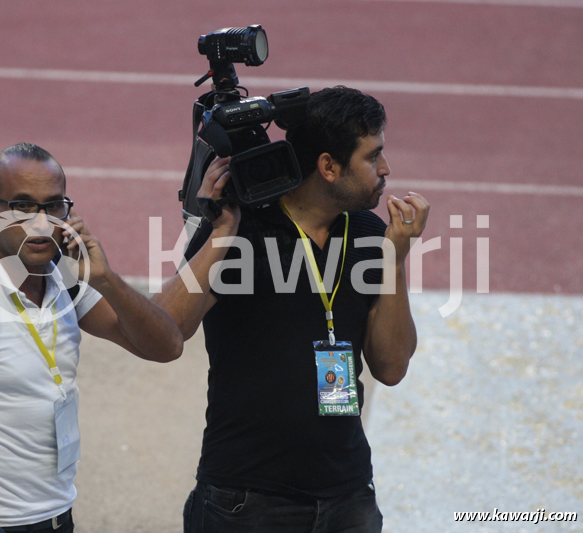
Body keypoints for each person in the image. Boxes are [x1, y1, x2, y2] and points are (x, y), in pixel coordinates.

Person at [155, 86, 430, 532]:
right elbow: (165, 328)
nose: (386, 169)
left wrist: (394, 259)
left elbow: (392, 366)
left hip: (347, 493)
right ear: (328, 166)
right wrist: (218, 231)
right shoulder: (242, 229)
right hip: (245, 499)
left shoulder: (368, 233)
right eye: (372, 156)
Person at [0, 142, 183, 533]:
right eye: (23, 206)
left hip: (56, 515)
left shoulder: (63, 272)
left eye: (52, 207)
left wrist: (104, 279)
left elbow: (165, 347)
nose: (40, 222)